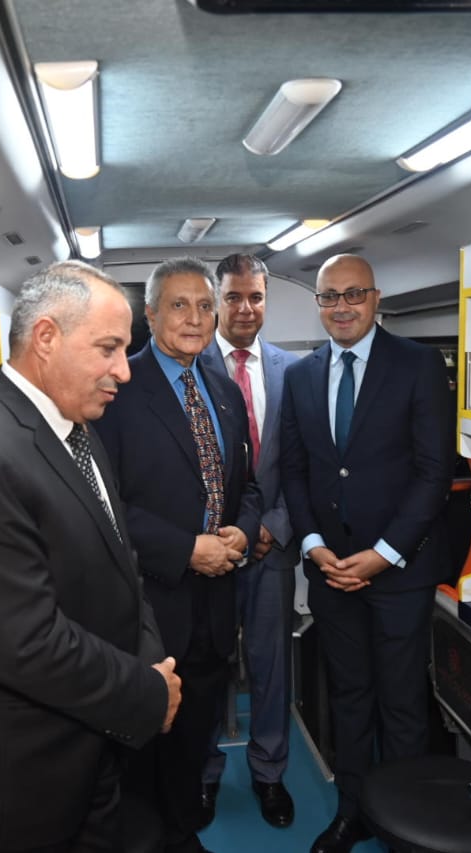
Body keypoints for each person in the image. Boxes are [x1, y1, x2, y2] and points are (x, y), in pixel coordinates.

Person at [0, 260, 182, 853]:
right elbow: (25, 643)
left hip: (91, 749)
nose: (124, 371)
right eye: (108, 349)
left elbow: (123, 565)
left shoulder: (76, 428)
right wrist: (144, 693)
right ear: (45, 338)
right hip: (17, 785)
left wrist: (151, 666)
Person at [279, 254, 455, 853]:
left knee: (402, 703)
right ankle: (352, 811)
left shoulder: (418, 365)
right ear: (318, 304)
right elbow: (296, 470)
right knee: (349, 698)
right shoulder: (301, 375)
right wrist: (313, 544)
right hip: (331, 571)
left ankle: (403, 826)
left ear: (377, 299)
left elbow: (433, 473)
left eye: (354, 294)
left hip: (400, 571)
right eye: (329, 296)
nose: (341, 307)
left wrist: (385, 553)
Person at [95, 256, 262, 853]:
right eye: (179, 305)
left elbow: (246, 486)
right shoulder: (116, 389)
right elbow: (103, 502)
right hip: (148, 608)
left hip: (214, 610)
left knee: (194, 738)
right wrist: (185, 549)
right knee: (145, 749)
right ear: (149, 313)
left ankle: (183, 833)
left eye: (205, 306)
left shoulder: (224, 390)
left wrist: (243, 531)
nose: (194, 318)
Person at [198, 254, 299, 830]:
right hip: (210, 550)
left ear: (266, 300)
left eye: (255, 297)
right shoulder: (190, 367)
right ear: (218, 301)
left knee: (271, 666)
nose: (244, 308)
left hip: (272, 548)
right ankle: (206, 774)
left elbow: (301, 464)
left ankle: (269, 773)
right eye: (233, 297)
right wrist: (222, 533)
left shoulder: (292, 371)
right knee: (209, 666)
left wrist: (272, 526)